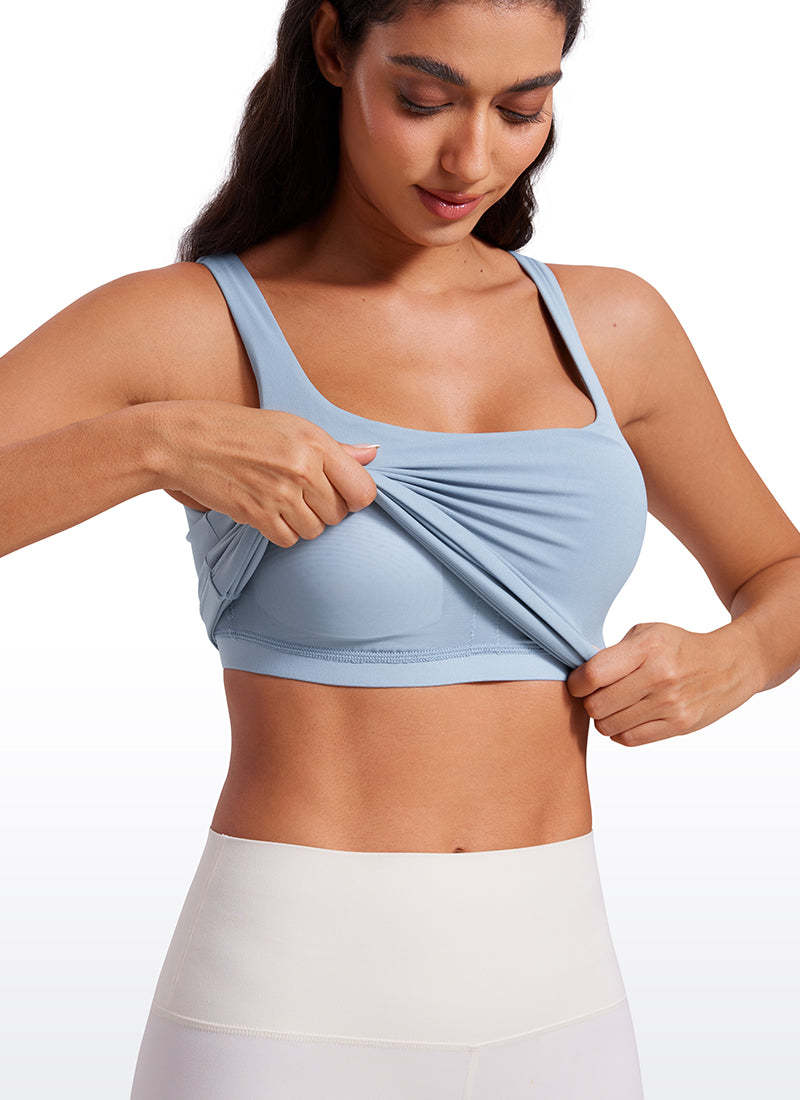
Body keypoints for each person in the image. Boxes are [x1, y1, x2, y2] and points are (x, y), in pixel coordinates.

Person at [2, 0, 799, 1097]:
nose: (470, 158)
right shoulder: (188, 323)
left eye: (521, 109)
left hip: (560, 992)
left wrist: (737, 658)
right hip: (282, 1000)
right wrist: (153, 444)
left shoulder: (614, 326)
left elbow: (777, 572)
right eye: (424, 100)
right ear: (335, 48)